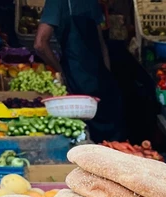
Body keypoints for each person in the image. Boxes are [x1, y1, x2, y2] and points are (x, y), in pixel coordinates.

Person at [34, 0, 124, 141]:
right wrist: (108, 75)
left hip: (78, 80)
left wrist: (61, 71)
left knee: (86, 138)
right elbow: (102, 45)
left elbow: (40, 44)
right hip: (101, 80)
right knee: (109, 140)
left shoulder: (56, 2)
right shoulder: (92, 2)